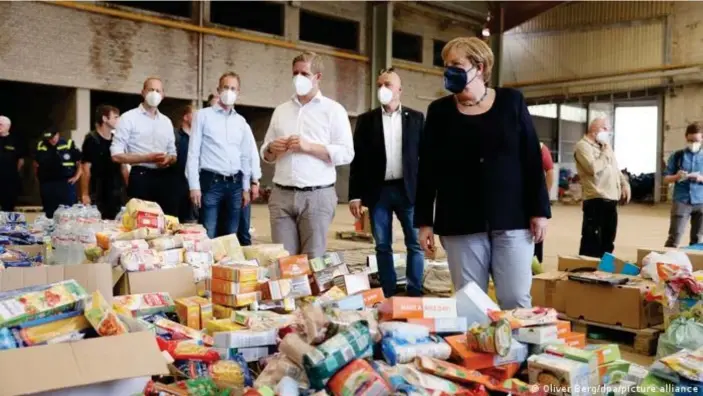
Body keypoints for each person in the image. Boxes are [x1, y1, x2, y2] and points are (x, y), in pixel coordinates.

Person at [415, 37, 551, 309]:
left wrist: (540, 211)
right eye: (446, 65)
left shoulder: (512, 102)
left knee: (515, 298)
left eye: (456, 64)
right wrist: (424, 222)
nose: (448, 71)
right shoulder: (439, 112)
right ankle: (478, 350)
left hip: (512, 217)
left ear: (479, 66)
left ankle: (518, 351)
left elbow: (531, 161)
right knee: (471, 303)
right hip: (459, 220)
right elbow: (428, 168)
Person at [261, 51, 354, 258]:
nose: (298, 78)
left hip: (317, 196)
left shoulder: (333, 110)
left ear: (317, 77)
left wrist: (309, 147)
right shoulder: (281, 111)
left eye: (304, 73)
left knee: (314, 261)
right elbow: (266, 153)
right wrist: (271, 149)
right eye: (295, 73)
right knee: (284, 262)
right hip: (281, 195)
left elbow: (347, 153)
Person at [348, 68, 425, 297]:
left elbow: (427, 157)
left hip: (408, 190)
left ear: (399, 90)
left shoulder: (417, 119)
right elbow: (357, 159)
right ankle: (388, 291)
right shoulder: (366, 120)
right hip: (378, 192)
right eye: (380, 84)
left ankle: (414, 290)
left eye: (388, 84)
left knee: (415, 244)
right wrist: (355, 195)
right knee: (382, 245)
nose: (383, 88)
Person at [186, 72, 254, 238]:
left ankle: (224, 265)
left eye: (233, 88)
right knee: (208, 232)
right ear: (218, 89)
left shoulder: (241, 122)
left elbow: (245, 156)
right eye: (225, 87)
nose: (229, 91)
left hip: (235, 184)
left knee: (230, 235)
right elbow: (193, 152)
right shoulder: (203, 116)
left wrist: (246, 187)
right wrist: (194, 186)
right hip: (211, 183)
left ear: (238, 93)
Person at [111, 77, 178, 215]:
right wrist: (146, 158)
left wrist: (169, 159)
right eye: (151, 90)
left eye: (158, 90)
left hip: (164, 177)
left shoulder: (166, 121)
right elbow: (116, 155)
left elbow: (173, 153)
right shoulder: (128, 118)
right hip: (141, 176)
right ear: (143, 92)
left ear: (163, 95)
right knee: (141, 220)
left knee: (165, 221)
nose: (154, 93)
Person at [574, 117, 631, 257]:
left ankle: (603, 271)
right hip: (596, 199)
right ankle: (587, 270)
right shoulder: (583, 146)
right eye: (605, 128)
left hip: (611, 198)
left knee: (608, 241)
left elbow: (615, 168)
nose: (608, 132)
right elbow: (592, 168)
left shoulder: (605, 146)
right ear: (595, 129)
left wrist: (624, 183)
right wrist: (604, 154)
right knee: (592, 240)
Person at [80, 105, 128, 219]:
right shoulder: (91, 140)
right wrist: (85, 194)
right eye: (115, 117)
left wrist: (129, 189)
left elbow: (123, 167)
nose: (118, 120)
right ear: (105, 118)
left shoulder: (117, 140)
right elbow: (86, 169)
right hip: (98, 192)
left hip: (116, 192)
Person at [663, 122, 703, 247]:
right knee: (674, 236)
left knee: (697, 239)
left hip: (701, 201)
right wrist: (677, 176)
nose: (693, 144)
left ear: (702, 138)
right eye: (690, 140)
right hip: (681, 200)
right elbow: (665, 179)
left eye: (696, 140)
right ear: (686, 137)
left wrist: (700, 178)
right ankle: (667, 262)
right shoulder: (677, 156)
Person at [35, 127, 82, 218]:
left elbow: (80, 162)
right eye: (49, 138)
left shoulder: (68, 144)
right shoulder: (41, 145)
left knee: (67, 212)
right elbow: (36, 163)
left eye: (53, 137)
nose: (51, 140)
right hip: (47, 183)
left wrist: (76, 177)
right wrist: (39, 178)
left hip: (65, 183)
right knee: (49, 212)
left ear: (58, 134)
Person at [237, 134, 262, 246]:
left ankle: (247, 256)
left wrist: (255, 181)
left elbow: (253, 155)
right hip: (216, 182)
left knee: (243, 228)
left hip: (242, 183)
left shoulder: (242, 125)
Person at [175, 104, 197, 223]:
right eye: (194, 114)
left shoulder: (198, 138)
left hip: (193, 187)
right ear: (185, 117)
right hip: (177, 187)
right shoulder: (175, 137)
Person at [534, 142, 555, 263]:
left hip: (532, 200)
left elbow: (550, 171)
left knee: (536, 235)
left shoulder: (540, 146)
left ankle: (535, 271)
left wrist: (543, 196)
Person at [0, 116, 26, 211]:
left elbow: (21, 160)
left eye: (1, 124)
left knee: (8, 204)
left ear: (8, 126)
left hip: (9, 179)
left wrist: (14, 172)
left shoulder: (15, 140)